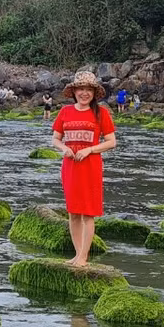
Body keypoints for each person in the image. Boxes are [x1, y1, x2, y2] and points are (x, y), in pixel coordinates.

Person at [51, 72, 117, 267]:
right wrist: (64, 148)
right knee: (73, 212)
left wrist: (90, 149)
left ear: (94, 93)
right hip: (70, 166)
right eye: (81, 89)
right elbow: (55, 138)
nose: (84, 93)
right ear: (74, 92)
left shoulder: (101, 113)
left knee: (88, 212)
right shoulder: (65, 112)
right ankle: (77, 253)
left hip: (90, 166)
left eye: (88, 89)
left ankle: (83, 257)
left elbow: (112, 142)